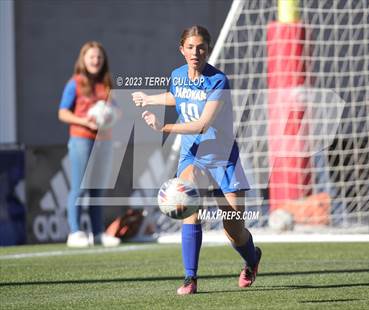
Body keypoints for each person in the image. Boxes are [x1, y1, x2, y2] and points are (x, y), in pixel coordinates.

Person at [132, 25, 262, 295]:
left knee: (234, 231)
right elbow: (176, 96)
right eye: (190, 47)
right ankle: (190, 278)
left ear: (208, 50)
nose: (195, 52)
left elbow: (202, 125)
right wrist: (149, 98)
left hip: (224, 160)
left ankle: (252, 259)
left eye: (201, 47)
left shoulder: (218, 81)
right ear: (182, 50)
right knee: (186, 204)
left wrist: (163, 128)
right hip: (194, 158)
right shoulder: (177, 76)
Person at [58, 41, 120, 248]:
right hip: (81, 139)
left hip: (104, 141)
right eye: (92, 57)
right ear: (83, 60)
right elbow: (63, 112)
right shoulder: (75, 82)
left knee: (98, 190)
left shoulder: (107, 83)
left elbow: (117, 110)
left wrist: (111, 115)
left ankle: (98, 233)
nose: (95, 61)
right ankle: (75, 232)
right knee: (79, 186)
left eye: (99, 57)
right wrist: (85, 120)